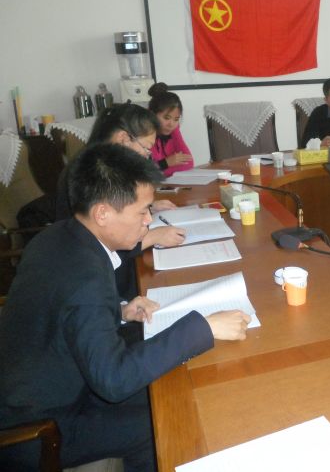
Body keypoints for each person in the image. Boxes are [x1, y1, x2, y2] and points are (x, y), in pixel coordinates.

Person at [0, 144, 251, 471]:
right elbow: (114, 380)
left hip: (50, 379)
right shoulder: (85, 277)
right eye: (142, 211)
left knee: (169, 379)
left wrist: (117, 311)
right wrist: (205, 327)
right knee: (168, 416)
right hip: (40, 426)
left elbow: (62, 310)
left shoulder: (60, 236)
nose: (149, 220)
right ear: (102, 213)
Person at [55, 103, 185, 304]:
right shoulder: (94, 175)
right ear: (123, 138)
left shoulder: (99, 164)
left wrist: (145, 206)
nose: (147, 158)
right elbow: (100, 243)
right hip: (107, 286)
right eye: (146, 149)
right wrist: (153, 236)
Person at [148, 82, 194, 177]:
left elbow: (189, 163)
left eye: (176, 119)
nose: (171, 124)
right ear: (152, 115)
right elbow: (144, 173)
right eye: (166, 118)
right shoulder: (143, 134)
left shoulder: (173, 130)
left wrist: (176, 130)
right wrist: (166, 163)